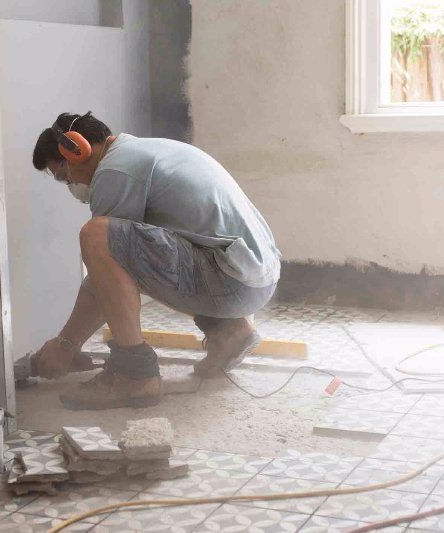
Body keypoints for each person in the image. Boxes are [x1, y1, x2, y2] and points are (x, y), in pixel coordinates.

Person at [29, 111, 281, 409]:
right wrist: (70, 344)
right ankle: (229, 330)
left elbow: (104, 274)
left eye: (63, 176)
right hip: (255, 280)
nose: (70, 185)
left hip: (231, 284)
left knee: (96, 235)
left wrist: (65, 344)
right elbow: (122, 267)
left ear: (77, 149)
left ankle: (134, 374)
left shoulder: (115, 171)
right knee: (129, 246)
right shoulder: (146, 151)